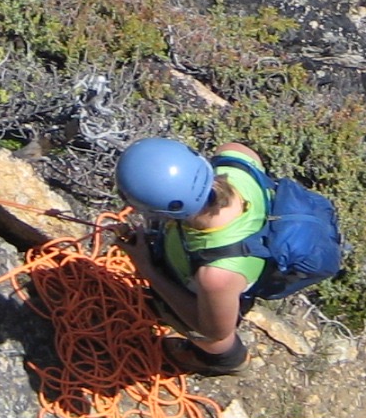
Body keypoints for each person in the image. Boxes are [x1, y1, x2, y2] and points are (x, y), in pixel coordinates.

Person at [115, 136, 275, 377]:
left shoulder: (216, 275)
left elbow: (215, 331)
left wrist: (147, 268)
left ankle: (226, 361)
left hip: (227, 281)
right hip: (247, 248)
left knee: (210, 334)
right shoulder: (235, 156)